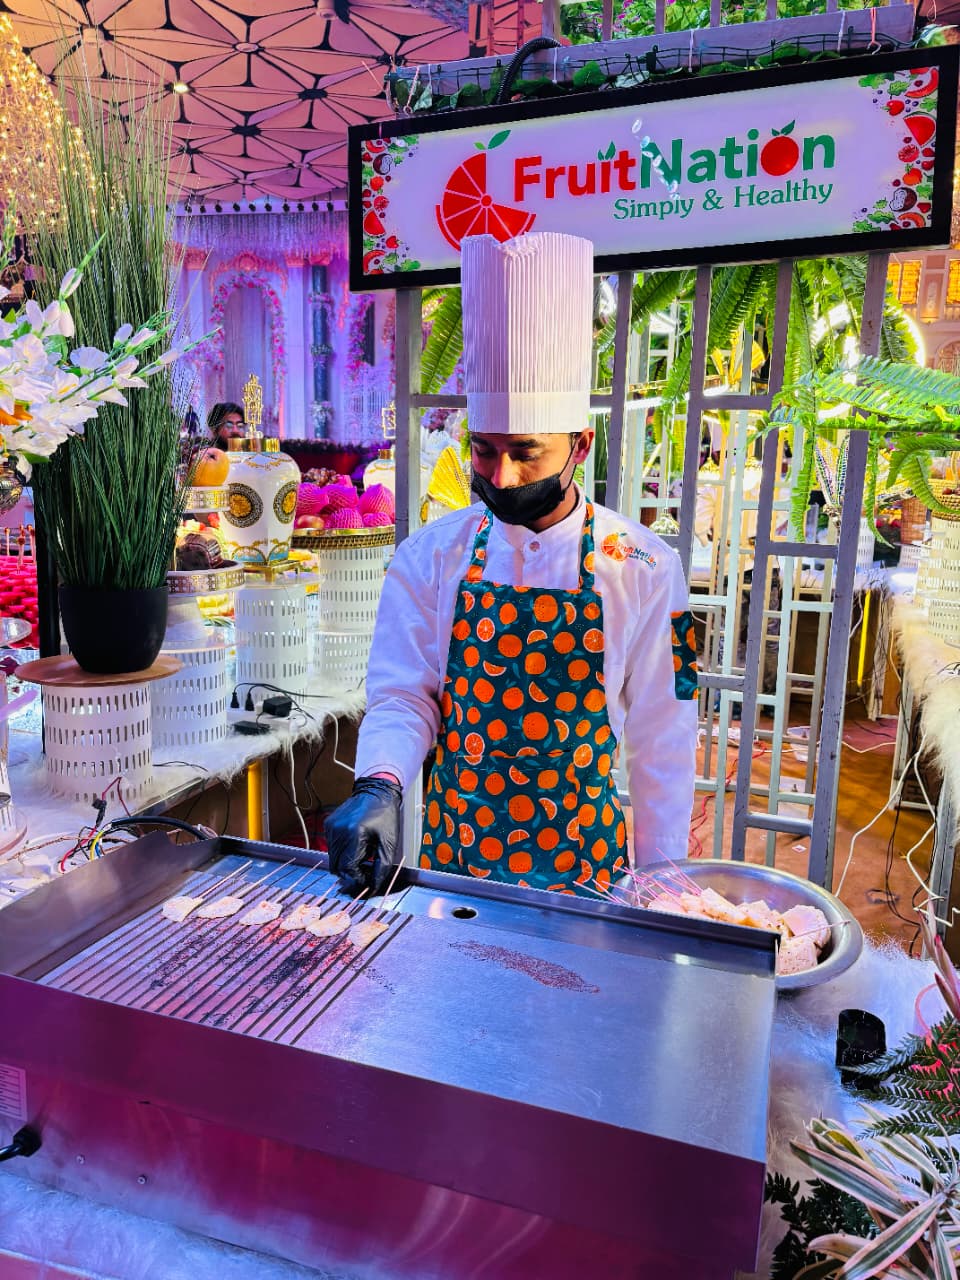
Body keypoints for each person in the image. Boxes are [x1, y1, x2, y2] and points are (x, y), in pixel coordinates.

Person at [325, 232, 698, 899]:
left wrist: (662, 890)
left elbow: (665, 735)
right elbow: (403, 695)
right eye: (484, 450)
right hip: (455, 870)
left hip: (587, 871)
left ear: (581, 444)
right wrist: (380, 783)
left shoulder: (648, 566)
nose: (501, 476)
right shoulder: (427, 556)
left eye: (526, 452)